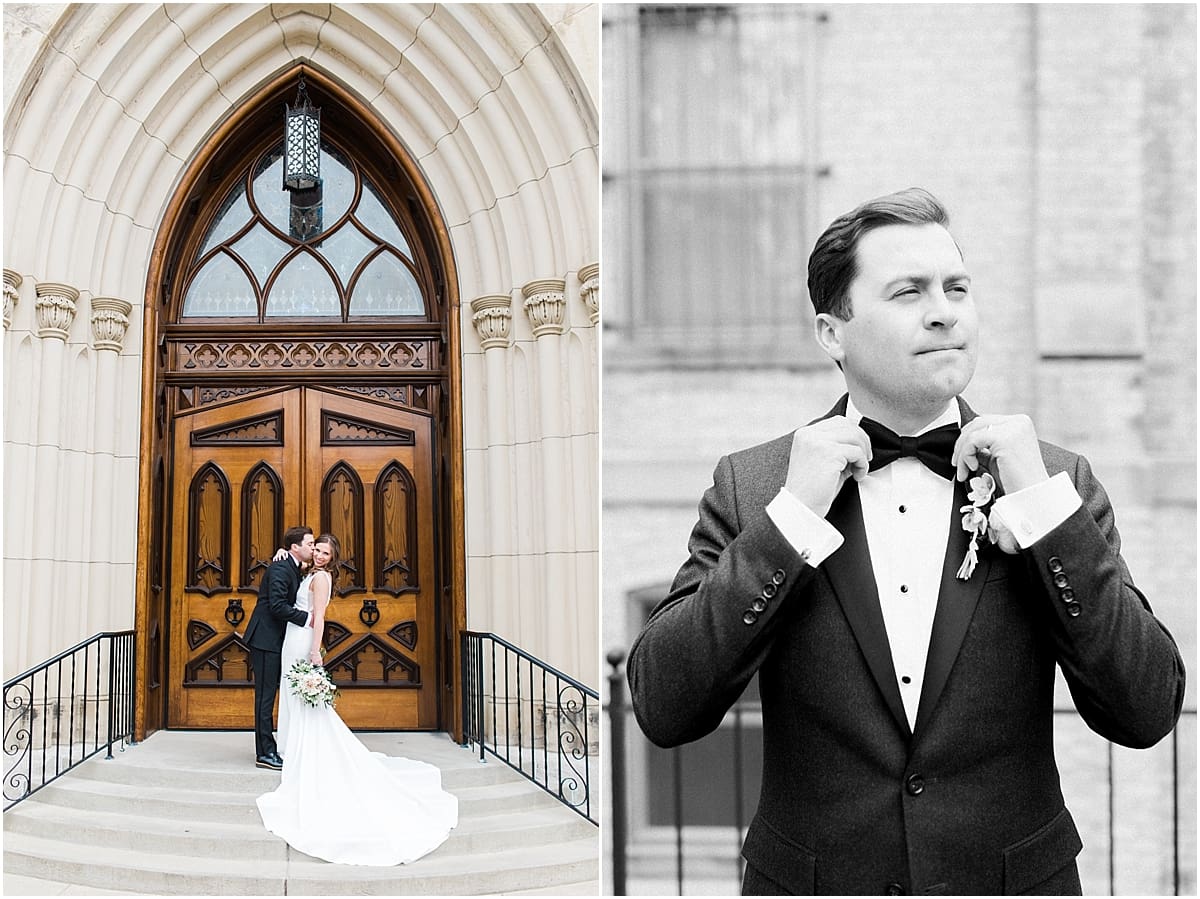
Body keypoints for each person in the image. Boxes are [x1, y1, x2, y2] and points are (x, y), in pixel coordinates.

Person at [625, 188, 1185, 895]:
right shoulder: (755, 485)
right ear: (833, 332)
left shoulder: (1055, 482)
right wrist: (793, 515)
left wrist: (1044, 510)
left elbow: (1145, 709)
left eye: (956, 287)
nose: (944, 309)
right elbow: (665, 704)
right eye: (908, 291)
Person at [257, 533, 459, 865]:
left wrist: (313, 650)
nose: (320, 555)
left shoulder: (321, 578)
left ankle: (298, 746)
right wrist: (281, 550)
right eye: (317, 550)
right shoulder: (304, 569)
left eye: (326, 552)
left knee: (298, 694)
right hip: (291, 637)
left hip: (302, 638)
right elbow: (290, 570)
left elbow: (318, 616)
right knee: (292, 694)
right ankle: (289, 744)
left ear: (333, 557)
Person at [244, 525, 315, 770]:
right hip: (265, 639)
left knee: (270, 695)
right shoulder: (280, 568)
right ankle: (264, 753)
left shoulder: (293, 566)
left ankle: (273, 747)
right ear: (295, 547)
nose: (313, 548)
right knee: (265, 698)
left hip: (278, 640)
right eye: (309, 544)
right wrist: (307, 619)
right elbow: (276, 606)